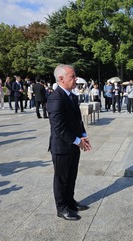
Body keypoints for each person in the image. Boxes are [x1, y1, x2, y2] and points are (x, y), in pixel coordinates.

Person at [47, 64, 91, 221]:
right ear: (61, 78)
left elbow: (77, 120)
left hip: (73, 144)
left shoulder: (72, 95)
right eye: (72, 76)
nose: (75, 79)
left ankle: (70, 201)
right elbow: (58, 127)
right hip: (62, 147)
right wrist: (77, 140)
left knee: (72, 176)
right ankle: (61, 207)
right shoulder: (55, 98)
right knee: (62, 178)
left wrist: (83, 135)